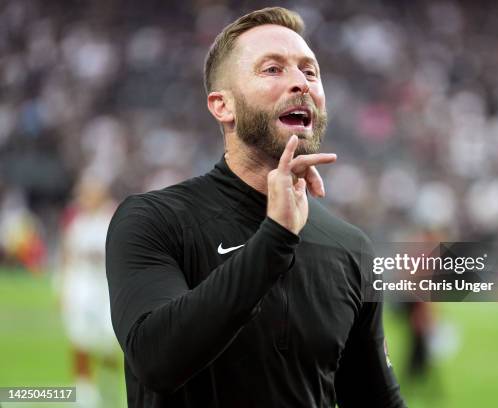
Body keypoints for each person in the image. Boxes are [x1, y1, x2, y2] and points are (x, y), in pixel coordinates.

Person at [106, 7, 405, 407]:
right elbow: (155, 360)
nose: (300, 82)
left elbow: (375, 400)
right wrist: (275, 238)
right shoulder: (154, 220)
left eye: (310, 72)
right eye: (273, 70)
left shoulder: (350, 248)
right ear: (221, 106)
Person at [59, 173, 120, 407]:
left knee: (110, 341)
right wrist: (63, 289)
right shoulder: (75, 219)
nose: (88, 198)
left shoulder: (113, 217)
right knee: (79, 340)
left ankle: (108, 384)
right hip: (81, 288)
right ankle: (84, 393)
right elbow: (67, 255)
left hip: (106, 290)